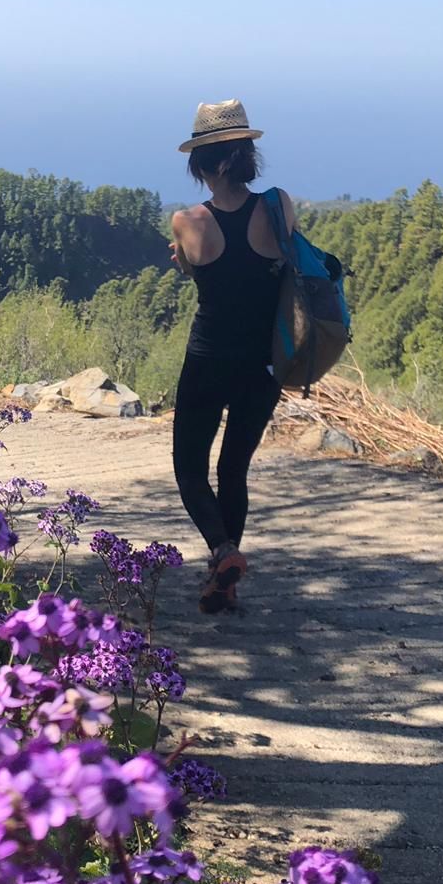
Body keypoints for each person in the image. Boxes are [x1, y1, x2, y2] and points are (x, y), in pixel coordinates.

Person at [169, 99, 295, 614]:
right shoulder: (279, 205)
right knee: (234, 469)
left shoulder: (188, 221)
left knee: (189, 468)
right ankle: (226, 580)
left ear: (204, 165)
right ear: (245, 157)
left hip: (209, 360)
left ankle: (222, 552)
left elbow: (196, 270)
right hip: (264, 364)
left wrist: (186, 262)